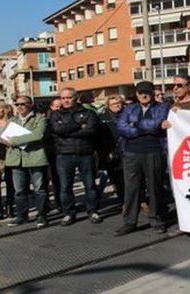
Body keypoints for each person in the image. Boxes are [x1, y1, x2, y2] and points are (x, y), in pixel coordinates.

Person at [115, 81, 171, 236]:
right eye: (140, 93)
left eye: (147, 92)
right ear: (136, 93)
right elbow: (121, 127)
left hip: (154, 151)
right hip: (132, 152)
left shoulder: (162, 107)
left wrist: (135, 125)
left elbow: (156, 123)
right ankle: (129, 222)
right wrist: (145, 128)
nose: (143, 95)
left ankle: (156, 219)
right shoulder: (129, 108)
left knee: (155, 186)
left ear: (152, 93)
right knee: (131, 188)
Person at [50, 88, 102, 226]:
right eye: (63, 98)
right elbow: (57, 130)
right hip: (64, 154)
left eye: (69, 97)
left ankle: (92, 211)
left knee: (90, 185)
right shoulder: (55, 115)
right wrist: (79, 125)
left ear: (76, 97)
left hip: (85, 153)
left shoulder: (89, 113)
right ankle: (68, 213)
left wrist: (67, 131)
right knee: (65, 186)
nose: (66, 100)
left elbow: (91, 131)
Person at [4, 96, 49, 227]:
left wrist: (15, 140)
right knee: (19, 190)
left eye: (23, 104)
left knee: (39, 188)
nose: (19, 107)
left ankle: (42, 215)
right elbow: (5, 137)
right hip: (16, 159)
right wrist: (7, 140)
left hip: (35, 157)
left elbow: (38, 135)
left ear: (30, 104)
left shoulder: (40, 118)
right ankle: (22, 216)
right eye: (17, 104)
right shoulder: (12, 120)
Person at [97, 95, 126, 206]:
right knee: (118, 181)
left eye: (119, 103)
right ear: (108, 106)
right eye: (113, 104)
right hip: (112, 153)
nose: (117, 105)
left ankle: (139, 201)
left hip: (128, 150)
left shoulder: (129, 115)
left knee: (133, 179)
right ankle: (124, 202)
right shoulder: (102, 118)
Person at [45, 97, 62, 211]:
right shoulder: (47, 121)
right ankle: (53, 203)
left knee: (61, 179)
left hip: (63, 151)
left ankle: (61, 202)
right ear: (51, 107)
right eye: (57, 107)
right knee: (51, 179)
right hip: (51, 152)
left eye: (60, 106)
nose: (59, 109)